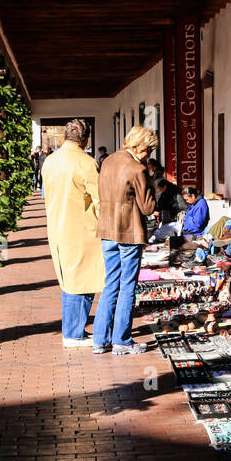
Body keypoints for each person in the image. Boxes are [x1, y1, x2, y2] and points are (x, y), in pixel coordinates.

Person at [94, 125, 159, 355]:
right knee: (127, 286)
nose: (149, 155)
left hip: (107, 229)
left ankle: (100, 339)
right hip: (128, 232)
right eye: (149, 150)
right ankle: (122, 340)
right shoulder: (137, 169)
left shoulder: (108, 161)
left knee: (110, 283)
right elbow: (148, 206)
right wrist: (151, 183)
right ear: (142, 147)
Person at [41, 119, 103, 347]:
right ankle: (74, 332)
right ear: (86, 139)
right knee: (83, 282)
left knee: (68, 280)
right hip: (82, 229)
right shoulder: (86, 163)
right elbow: (100, 201)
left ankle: (73, 330)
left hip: (57, 226)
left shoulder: (50, 161)